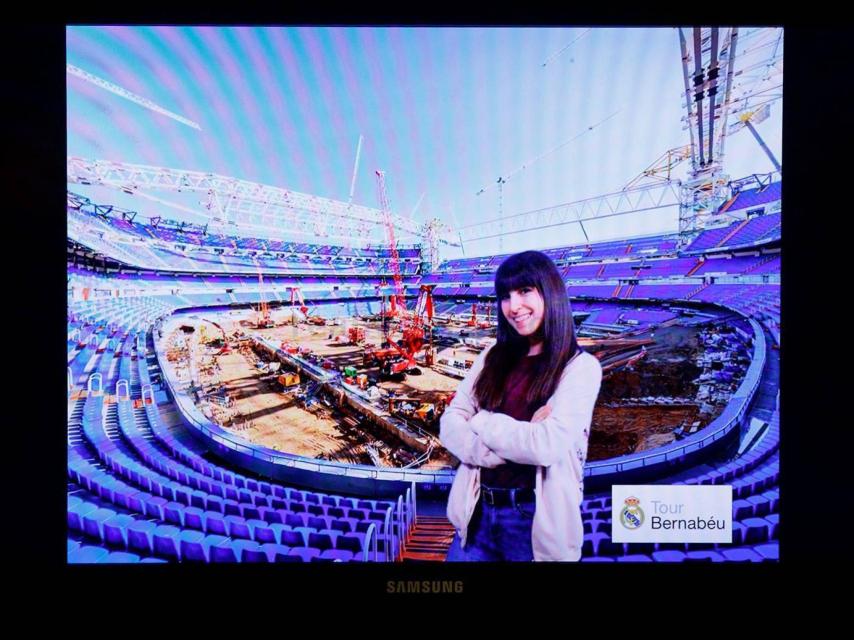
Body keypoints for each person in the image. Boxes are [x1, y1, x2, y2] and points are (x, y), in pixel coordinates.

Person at [440, 250, 602, 561]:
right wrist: (490, 451)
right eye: (505, 295)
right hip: (476, 515)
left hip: (531, 523)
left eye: (525, 291)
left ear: (550, 293)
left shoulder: (580, 368)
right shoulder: (492, 356)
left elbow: (545, 446)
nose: (514, 307)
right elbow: (450, 422)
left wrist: (481, 421)